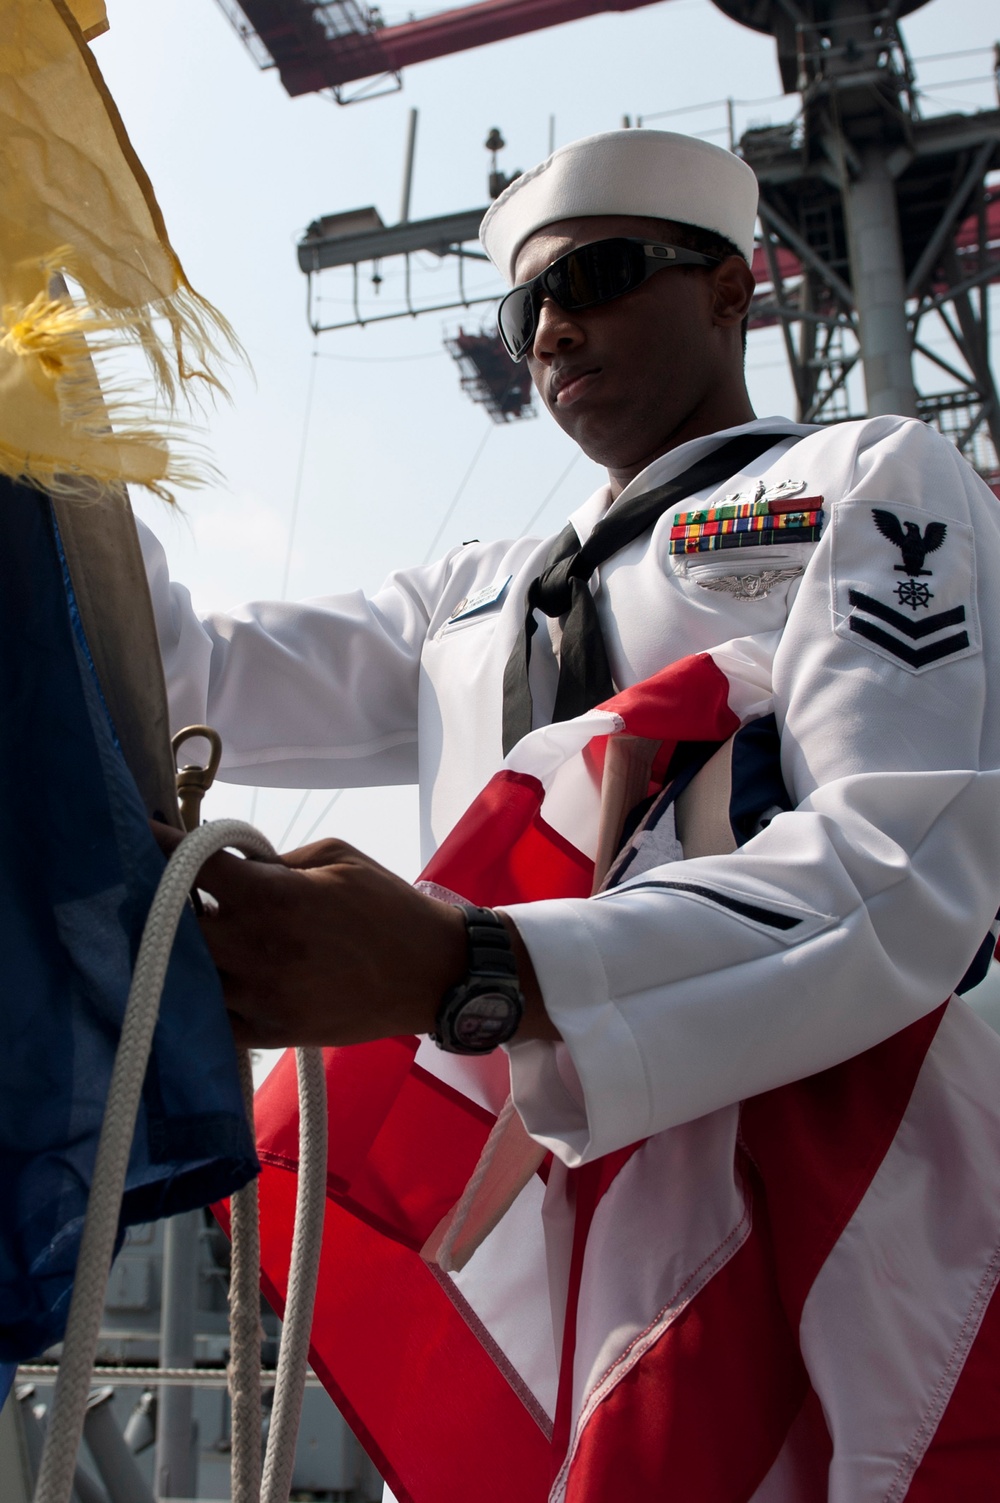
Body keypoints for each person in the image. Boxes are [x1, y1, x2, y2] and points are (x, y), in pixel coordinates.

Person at [144, 129, 1000, 1497]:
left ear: (731, 291)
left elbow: (905, 866)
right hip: (521, 1235)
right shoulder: (468, 604)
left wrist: (470, 970)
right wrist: (44, 436)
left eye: (597, 275)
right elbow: (188, 675)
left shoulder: (869, 484)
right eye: (525, 303)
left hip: (815, 1206)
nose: (551, 325)